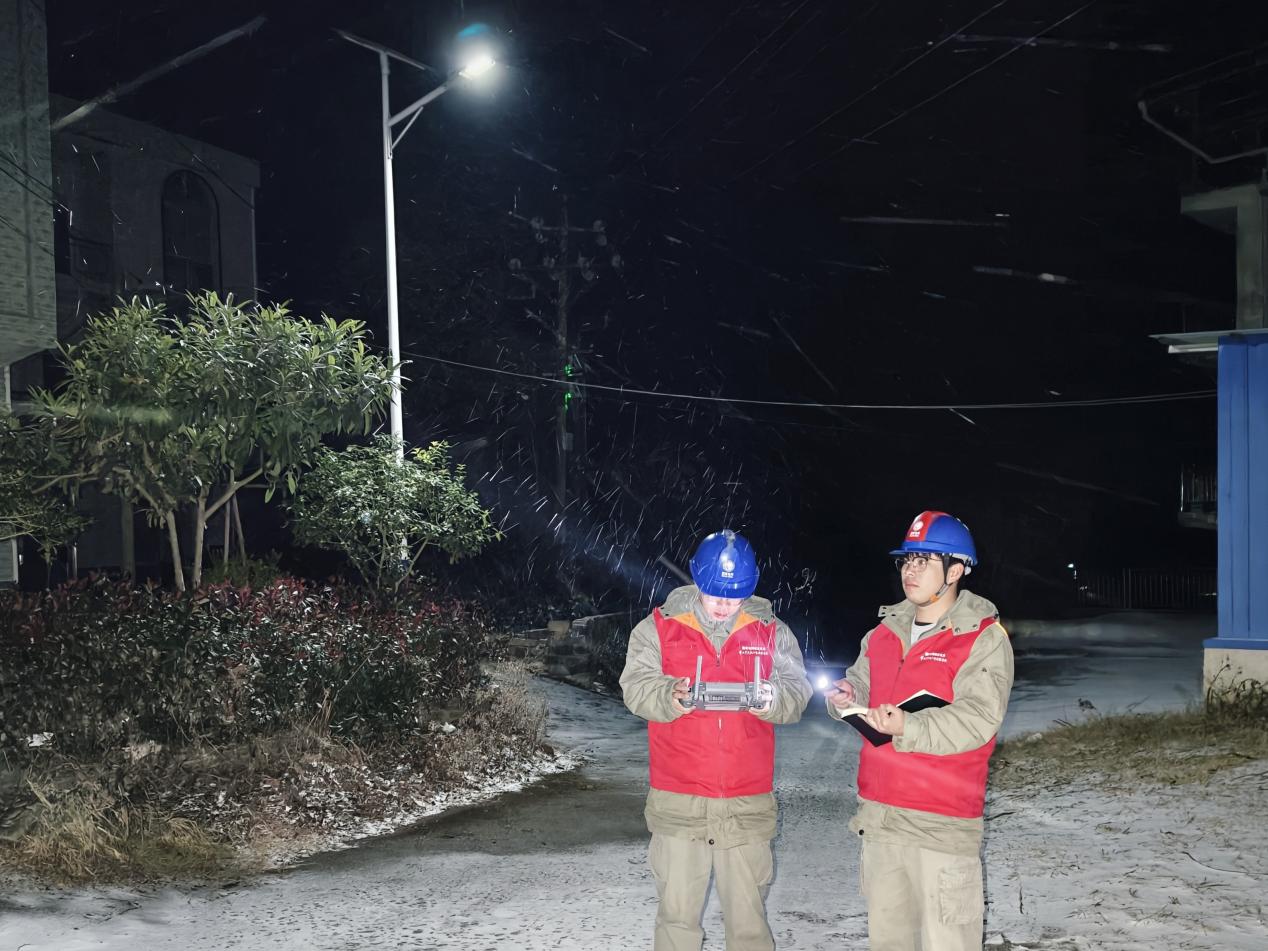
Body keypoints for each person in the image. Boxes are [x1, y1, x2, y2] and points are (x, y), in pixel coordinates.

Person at [826, 511, 1013, 951]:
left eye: (924, 561)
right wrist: (847, 695)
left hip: (941, 823)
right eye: (907, 560)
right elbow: (861, 682)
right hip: (881, 819)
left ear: (956, 570)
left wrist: (908, 725)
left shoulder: (982, 638)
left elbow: (978, 718)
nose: (910, 570)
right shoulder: (882, 633)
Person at [620, 530, 812, 951]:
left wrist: (772, 698)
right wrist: (669, 694)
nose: (724, 604)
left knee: (748, 925)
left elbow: (798, 691)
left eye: (735, 596)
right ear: (697, 579)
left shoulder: (772, 632)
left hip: (746, 803)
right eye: (715, 594)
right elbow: (634, 687)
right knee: (676, 922)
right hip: (678, 801)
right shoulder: (658, 629)